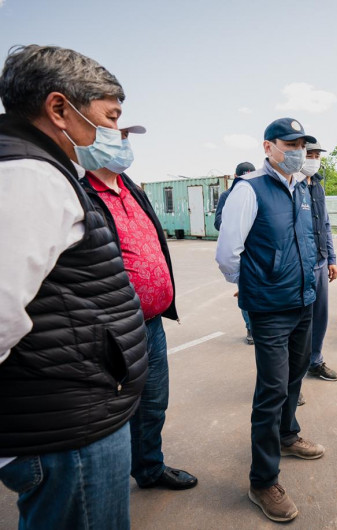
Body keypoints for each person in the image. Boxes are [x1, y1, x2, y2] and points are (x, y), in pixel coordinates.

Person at [0, 44, 148, 529]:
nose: (115, 132)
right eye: (110, 117)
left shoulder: (44, 169)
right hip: (65, 429)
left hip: (69, 416)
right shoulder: (29, 178)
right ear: (60, 109)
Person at [216, 117, 324, 523]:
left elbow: (306, 240)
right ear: (268, 147)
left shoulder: (301, 187)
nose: (298, 152)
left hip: (303, 301)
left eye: (301, 145)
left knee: (295, 376)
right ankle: (262, 481)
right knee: (272, 389)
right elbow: (228, 252)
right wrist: (253, 284)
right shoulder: (250, 189)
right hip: (271, 308)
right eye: (290, 144)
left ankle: (287, 435)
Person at [84, 130, 198, 491]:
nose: (123, 144)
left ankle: (149, 468)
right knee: (111, 409)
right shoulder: (78, 193)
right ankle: (104, 485)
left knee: (153, 402)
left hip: (151, 324)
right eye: (113, 134)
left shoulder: (131, 188)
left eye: (125, 136)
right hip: (111, 330)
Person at [302, 140, 337, 381]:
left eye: (317, 155)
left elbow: (325, 225)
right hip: (299, 266)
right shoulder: (291, 186)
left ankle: (314, 361)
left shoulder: (317, 187)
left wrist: (331, 258)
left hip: (320, 262)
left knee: (320, 316)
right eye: (310, 154)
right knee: (298, 321)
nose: (314, 160)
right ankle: (292, 376)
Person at [215, 161, 256, 345]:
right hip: (240, 252)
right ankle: (250, 327)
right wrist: (235, 225)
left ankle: (260, 325)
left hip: (257, 251)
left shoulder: (257, 193)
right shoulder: (227, 195)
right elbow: (218, 221)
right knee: (245, 291)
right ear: (235, 177)